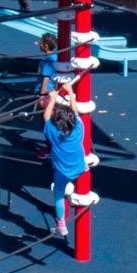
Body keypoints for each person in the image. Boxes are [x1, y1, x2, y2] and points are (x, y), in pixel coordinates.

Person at [43, 73, 88, 231]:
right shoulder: (78, 129)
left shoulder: (53, 133)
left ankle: (61, 223)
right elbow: (76, 112)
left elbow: (46, 117)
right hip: (80, 168)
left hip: (62, 172)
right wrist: (70, 92)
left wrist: (52, 99)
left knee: (58, 193)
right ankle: (74, 185)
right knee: (80, 168)